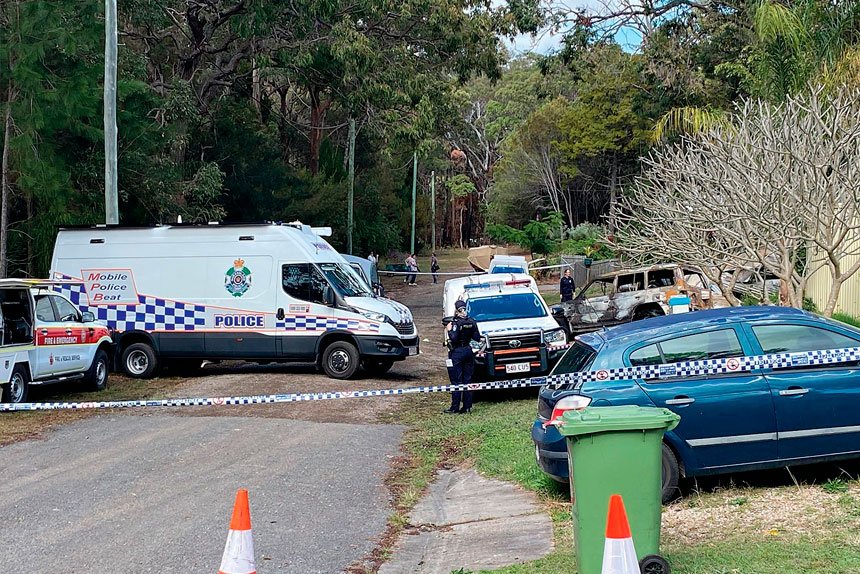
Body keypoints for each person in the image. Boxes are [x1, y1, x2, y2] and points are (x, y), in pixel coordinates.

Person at [444, 299, 481, 414]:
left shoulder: (456, 323)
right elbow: (477, 338)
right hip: (468, 351)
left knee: (456, 380)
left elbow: (454, 338)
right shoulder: (472, 321)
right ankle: (467, 406)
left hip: (457, 352)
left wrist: (449, 330)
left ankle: (455, 407)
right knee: (468, 380)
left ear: (456, 310)